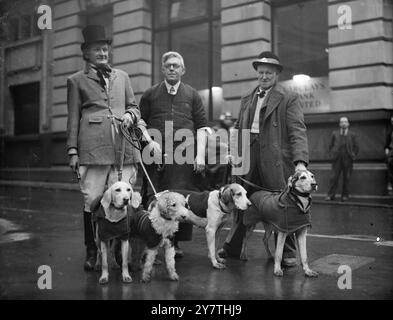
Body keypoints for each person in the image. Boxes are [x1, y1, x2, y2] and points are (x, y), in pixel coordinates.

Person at [217, 51, 309, 267]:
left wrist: (300, 162)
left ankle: (286, 252)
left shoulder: (288, 98)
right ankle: (233, 247)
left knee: (280, 203)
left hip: (274, 156)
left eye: (269, 73)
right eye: (261, 72)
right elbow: (238, 128)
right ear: (257, 73)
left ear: (276, 74)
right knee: (241, 201)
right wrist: (233, 152)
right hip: (247, 155)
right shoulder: (247, 98)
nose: (264, 76)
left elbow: (297, 130)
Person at [66, 25, 141, 270]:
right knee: (93, 201)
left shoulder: (123, 76)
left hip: (123, 149)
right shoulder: (76, 81)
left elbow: (134, 106)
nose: (103, 52)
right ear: (86, 53)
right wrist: (72, 151)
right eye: (97, 48)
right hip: (92, 149)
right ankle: (92, 251)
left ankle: (121, 251)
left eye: (105, 48)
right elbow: (73, 117)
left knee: (124, 199)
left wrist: (130, 114)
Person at [139, 51, 210, 258]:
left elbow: (202, 127)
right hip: (155, 154)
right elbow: (140, 122)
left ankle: (175, 244)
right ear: (162, 69)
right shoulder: (150, 94)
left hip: (184, 154)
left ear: (183, 70)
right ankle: (150, 243)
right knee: (154, 197)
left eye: (176, 66)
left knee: (180, 198)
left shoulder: (192, 94)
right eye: (168, 65)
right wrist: (149, 142)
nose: (172, 68)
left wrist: (200, 155)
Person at [325, 117, 359, 201]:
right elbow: (330, 145)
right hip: (337, 159)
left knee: (346, 178)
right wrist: (331, 155)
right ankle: (330, 195)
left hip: (348, 159)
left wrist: (353, 155)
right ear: (340, 124)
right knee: (334, 178)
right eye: (342, 122)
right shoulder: (335, 133)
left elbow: (356, 147)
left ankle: (345, 195)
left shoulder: (352, 134)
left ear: (348, 124)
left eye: (345, 122)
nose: (343, 123)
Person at [384, 115, 393, 193]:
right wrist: (387, 150)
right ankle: (390, 184)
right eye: (392, 121)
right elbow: (387, 144)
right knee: (390, 168)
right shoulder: (390, 132)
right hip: (391, 152)